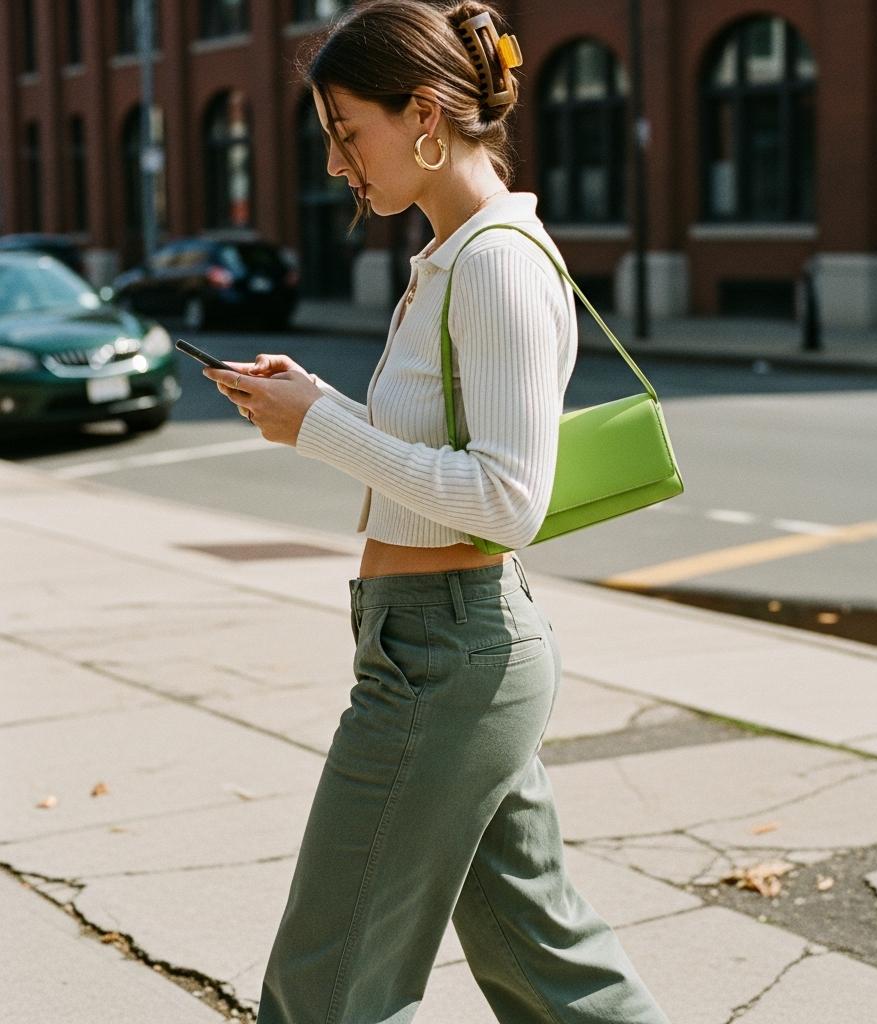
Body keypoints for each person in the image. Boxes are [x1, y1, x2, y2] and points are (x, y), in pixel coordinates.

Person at [202, 2, 671, 1021]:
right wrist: (317, 409)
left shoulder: (495, 261)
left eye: (344, 132)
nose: (336, 165)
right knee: (555, 974)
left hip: (444, 657)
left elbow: (505, 501)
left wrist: (321, 428)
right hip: (437, 651)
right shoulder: (458, 254)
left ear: (422, 112)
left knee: (326, 989)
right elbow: (443, 458)